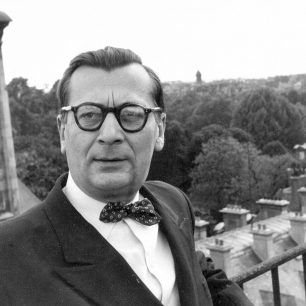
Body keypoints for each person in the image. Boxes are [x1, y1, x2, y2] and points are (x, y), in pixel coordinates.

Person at [0, 46, 253, 306]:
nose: (110, 134)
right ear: (63, 131)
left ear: (160, 130)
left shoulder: (174, 201)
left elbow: (199, 270)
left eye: (131, 115)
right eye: (88, 114)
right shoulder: (7, 255)